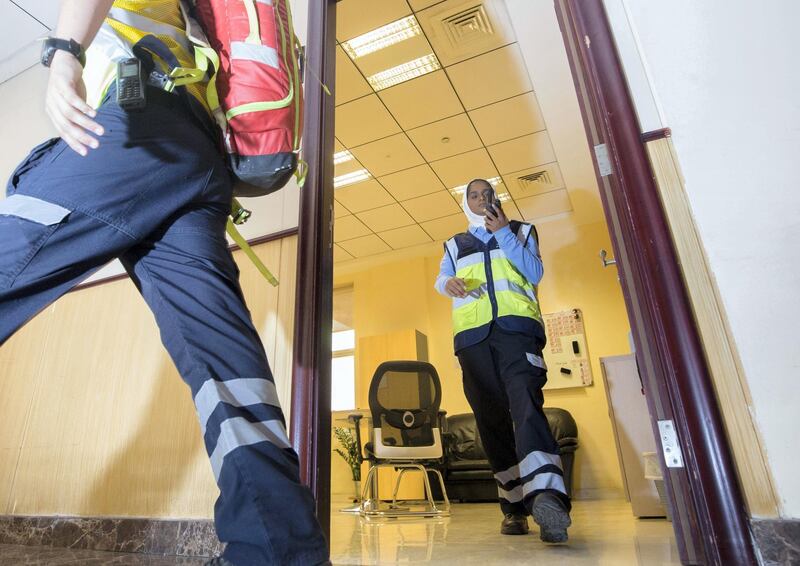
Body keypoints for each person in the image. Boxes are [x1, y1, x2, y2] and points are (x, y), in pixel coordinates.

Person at [0, 1, 329, 565]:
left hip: (142, 120)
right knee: (224, 364)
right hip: (198, 161)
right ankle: (278, 551)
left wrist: (62, 55)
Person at [434, 178, 572, 542]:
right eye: (473, 195)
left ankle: (548, 498)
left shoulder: (522, 231)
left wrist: (506, 234)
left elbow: (535, 273)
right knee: (491, 422)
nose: (481, 199)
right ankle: (513, 508)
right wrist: (446, 284)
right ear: (466, 202)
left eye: (486, 194)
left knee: (526, 404)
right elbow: (442, 278)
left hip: (517, 332)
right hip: (473, 340)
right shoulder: (454, 244)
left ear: (496, 198)